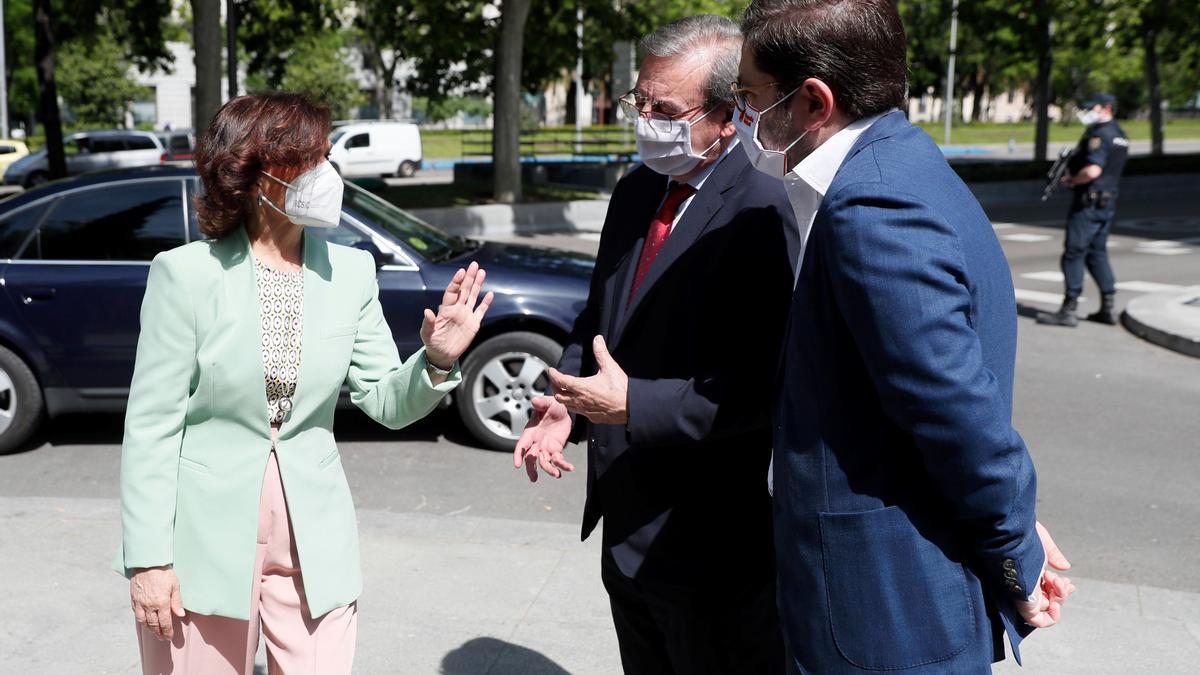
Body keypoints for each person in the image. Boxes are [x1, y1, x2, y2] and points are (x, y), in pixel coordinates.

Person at [735, 1, 1076, 671]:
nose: (744, 117)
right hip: (882, 595)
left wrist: (1018, 558)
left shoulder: (872, 204)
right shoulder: (901, 159)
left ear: (812, 101)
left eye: (751, 96)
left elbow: (956, 412)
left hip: (882, 614)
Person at [113, 93, 492, 675]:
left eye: (326, 157)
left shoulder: (351, 271)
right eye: (310, 160)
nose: (328, 174)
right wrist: (148, 562)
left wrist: (435, 361)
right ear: (254, 174)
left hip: (315, 538)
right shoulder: (185, 275)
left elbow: (386, 402)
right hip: (200, 541)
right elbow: (151, 427)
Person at [513, 15, 795, 675]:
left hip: (711, 540)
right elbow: (603, 319)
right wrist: (569, 399)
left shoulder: (767, 205)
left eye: (663, 109)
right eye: (640, 99)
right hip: (624, 523)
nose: (643, 118)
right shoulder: (637, 189)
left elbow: (764, 383)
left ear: (730, 116)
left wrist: (635, 403)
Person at [1037, 92, 1129, 327]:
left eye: (1093, 107)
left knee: (1073, 254)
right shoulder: (1120, 134)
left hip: (1088, 202)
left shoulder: (1099, 135)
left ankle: (1069, 310)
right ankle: (1108, 307)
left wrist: (1071, 180)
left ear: (1106, 108)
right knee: (1096, 254)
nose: (1088, 112)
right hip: (1107, 202)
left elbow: (1092, 171)